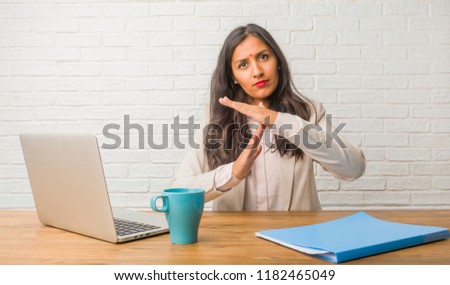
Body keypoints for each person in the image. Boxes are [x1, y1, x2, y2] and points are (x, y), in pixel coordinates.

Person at [170, 23, 366, 211]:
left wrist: (279, 120)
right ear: (233, 77)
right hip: (237, 240)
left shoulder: (310, 111)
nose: (257, 72)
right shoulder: (216, 120)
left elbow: (353, 168)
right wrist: (233, 173)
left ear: (278, 62)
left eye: (263, 57)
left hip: (298, 237)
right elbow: (179, 190)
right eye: (243, 64)